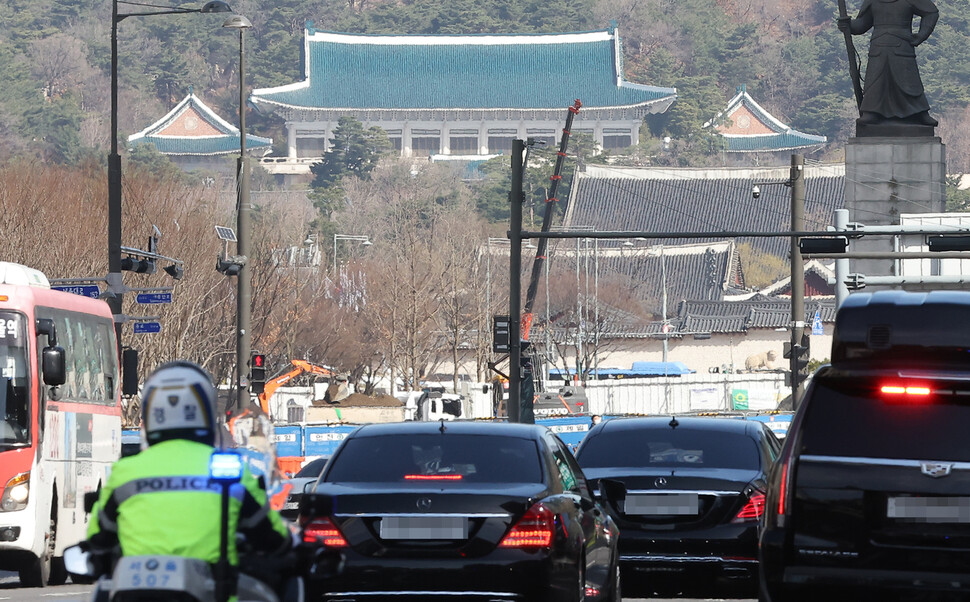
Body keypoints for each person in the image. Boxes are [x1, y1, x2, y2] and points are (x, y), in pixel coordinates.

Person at [86, 361, 294, 597]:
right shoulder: (228, 469)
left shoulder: (126, 471)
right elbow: (271, 534)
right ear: (205, 412)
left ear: (151, 414)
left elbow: (98, 538)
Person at [838, 0, 940, 127]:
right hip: (878, 46)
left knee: (908, 80)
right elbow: (863, 24)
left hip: (903, 44)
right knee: (876, 80)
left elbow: (931, 13)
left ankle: (919, 112)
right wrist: (848, 25)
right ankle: (872, 112)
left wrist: (922, 34)